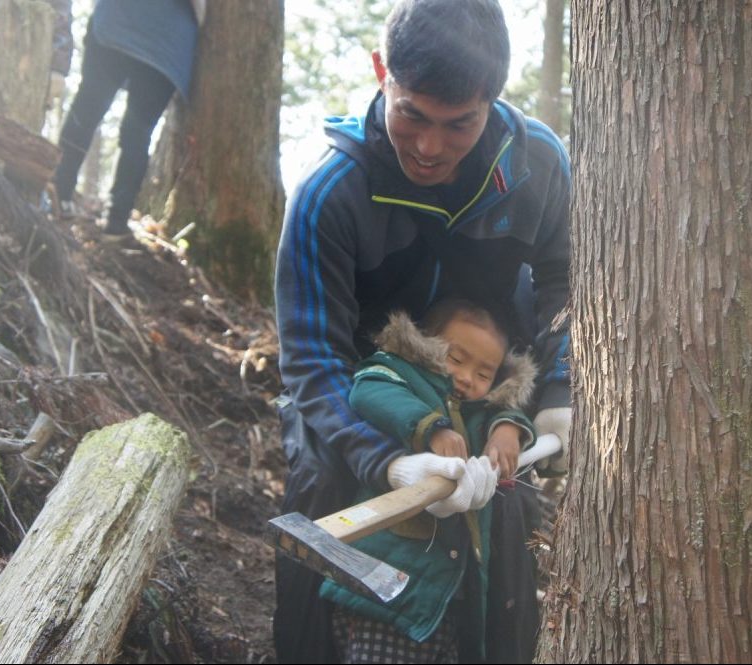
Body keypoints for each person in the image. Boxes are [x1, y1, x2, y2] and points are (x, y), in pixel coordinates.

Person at [273, 1, 571, 662]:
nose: (428, 147)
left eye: (458, 124)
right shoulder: (331, 193)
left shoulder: (537, 168)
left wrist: (557, 389)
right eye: (411, 113)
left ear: (490, 101)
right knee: (321, 482)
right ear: (383, 72)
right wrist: (389, 458)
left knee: (508, 514)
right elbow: (311, 364)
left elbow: (563, 282)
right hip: (359, 398)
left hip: (484, 395)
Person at [322, 301, 538, 663]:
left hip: (447, 605)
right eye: (456, 358)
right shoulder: (400, 372)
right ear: (426, 344)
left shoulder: (479, 411)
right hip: (387, 599)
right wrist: (431, 427)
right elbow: (369, 389)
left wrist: (508, 429)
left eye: (484, 374)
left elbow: (503, 410)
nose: (468, 377)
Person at [52, 0, 204, 240]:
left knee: (88, 108)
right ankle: (116, 221)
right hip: (168, 43)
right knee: (137, 133)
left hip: (120, 21)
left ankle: (58, 194)